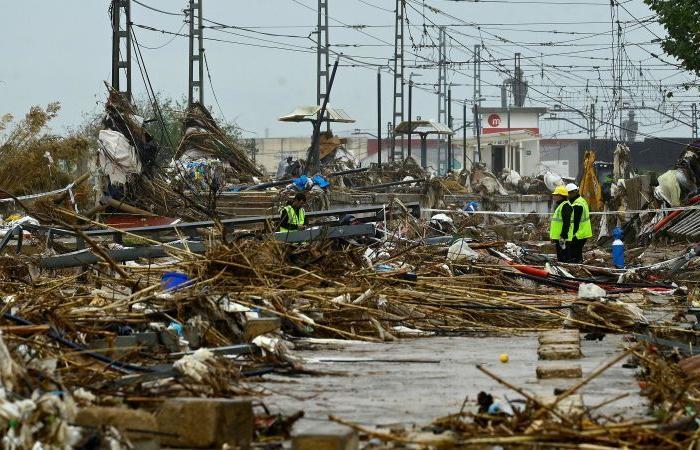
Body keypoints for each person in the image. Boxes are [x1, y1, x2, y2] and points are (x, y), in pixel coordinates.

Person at [566, 183, 593, 263]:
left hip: (578, 233)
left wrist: (571, 235)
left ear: (572, 193)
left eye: (567, 194)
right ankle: (579, 267)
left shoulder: (577, 205)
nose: (567, 196)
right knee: (577, 254)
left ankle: (574, 270)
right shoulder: (581, 200)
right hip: (583, 232)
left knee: (573, 255)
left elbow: (575, 222)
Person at [549, 185, 572, 262]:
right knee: (561, 257)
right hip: (560, 237)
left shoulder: (565, 206)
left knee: (564, 257)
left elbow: (566, 222)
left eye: (556, 195)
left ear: (561, 196)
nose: (554, 196)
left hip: (563, 238)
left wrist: (563, 236)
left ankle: (565, 271)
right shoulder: (561, 205)